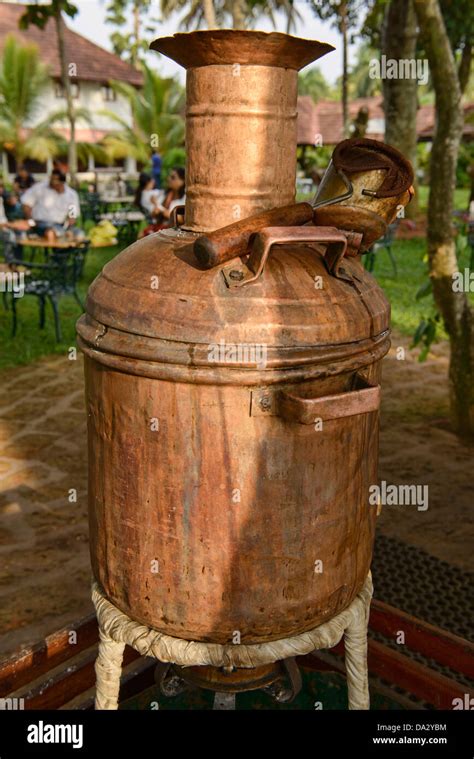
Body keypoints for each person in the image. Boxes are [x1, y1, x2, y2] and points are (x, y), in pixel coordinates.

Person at [21, 169, 81, 241]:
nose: (51, 182)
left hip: (61, 225)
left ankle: (66, 250)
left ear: (62, 182)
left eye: (55, 181)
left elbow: (72, 216)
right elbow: (26, 204)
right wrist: (31, 222)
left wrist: (69, 228)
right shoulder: (39, 188)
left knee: (79, 235)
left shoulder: (71, 195)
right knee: (51, 232)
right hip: (40, 224)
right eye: (51, 179)